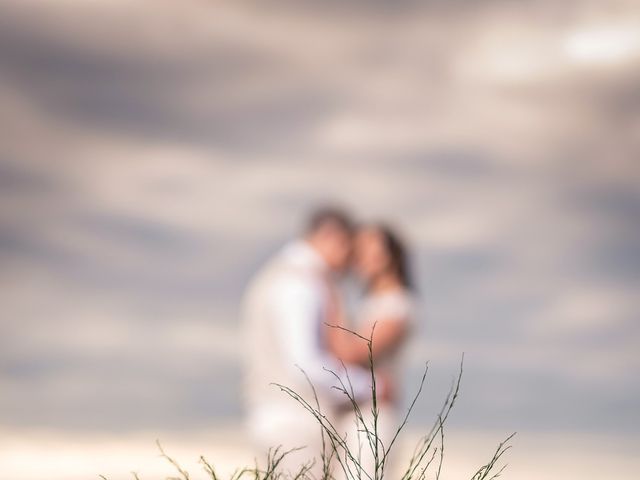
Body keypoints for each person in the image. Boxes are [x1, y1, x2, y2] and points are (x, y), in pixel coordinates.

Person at [242, 207, 373, 477]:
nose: (349, 264)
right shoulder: (300, 283)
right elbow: (306, 365)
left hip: (274, 415)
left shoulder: (275, 275)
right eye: (348, 251)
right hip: (295, 420)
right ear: (332, 237)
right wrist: (367, 386)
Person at [325, 223, 414, 479]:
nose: (358, 256)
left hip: (374, 416)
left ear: (389, 255)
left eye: (367, 248)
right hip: (351, 413)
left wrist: (331, 297)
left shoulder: (399, 305)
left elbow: (352, 352)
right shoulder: (370, 302)